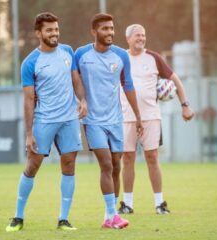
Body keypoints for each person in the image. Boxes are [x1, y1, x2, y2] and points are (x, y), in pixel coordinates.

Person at [6, 12, 87, 232]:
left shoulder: (68, 52)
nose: (54, 33)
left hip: (69, 119)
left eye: (56, 29)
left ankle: (63, 219)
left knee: (69, 165)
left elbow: (76, 80)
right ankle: (18, 217)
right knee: (32, 166)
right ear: (38, 33)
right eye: (49, 30)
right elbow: (29, 99)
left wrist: (83, 100)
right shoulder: (30, 62)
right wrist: (29, 133)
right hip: (44, 121)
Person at [118, 24, 195, 215]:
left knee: (152, 158)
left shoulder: (153, 58)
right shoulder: (121, 58)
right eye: (137, 35)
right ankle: (127, 204)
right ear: (128, 38)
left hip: (151, 117)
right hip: (126, 117)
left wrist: (185, 105)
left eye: (143, 35)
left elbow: (175, 80)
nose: (141, 38)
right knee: (127, 159)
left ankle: (160, 203)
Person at [75, 13, 143, 229]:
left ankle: (108, 216)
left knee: (115, 166)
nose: (110, 33)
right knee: (105, 164)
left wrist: (138, 116)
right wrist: (82, 100)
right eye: (105, 29)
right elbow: (73, 80)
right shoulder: (81, 54)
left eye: (112, 28)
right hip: (92, 120)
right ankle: (114, 215)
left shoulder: (121, 56)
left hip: (116, 120)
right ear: (94, 32)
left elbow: (128, 86)